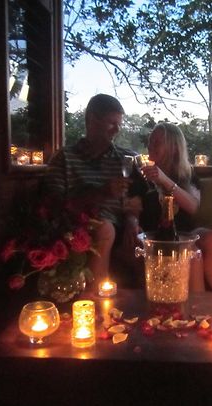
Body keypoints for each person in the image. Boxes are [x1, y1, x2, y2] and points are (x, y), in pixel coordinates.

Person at [44, 94, 142, 284]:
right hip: (81, 226)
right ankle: (96, 296)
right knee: (105, 228)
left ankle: (152, 302)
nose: (117, 129)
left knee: (144, 241)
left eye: (119, 124)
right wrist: (102, 193)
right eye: (112, 123)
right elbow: (54, 205)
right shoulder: (65, 158)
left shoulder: (126, 158)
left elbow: (136, 199)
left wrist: (132, 219)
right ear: (91, 120)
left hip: (122, 226)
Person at [140, 122, 212, 292]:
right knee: (191, 253)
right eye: (150, 141)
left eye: (157, 142)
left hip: (186, 233)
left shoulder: (186, 174)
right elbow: (132, 206)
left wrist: (164, 180)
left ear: (174, 148)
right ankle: (196, 307)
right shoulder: (142, 175)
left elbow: (193, 207)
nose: (150, 146)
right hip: (157, 235)